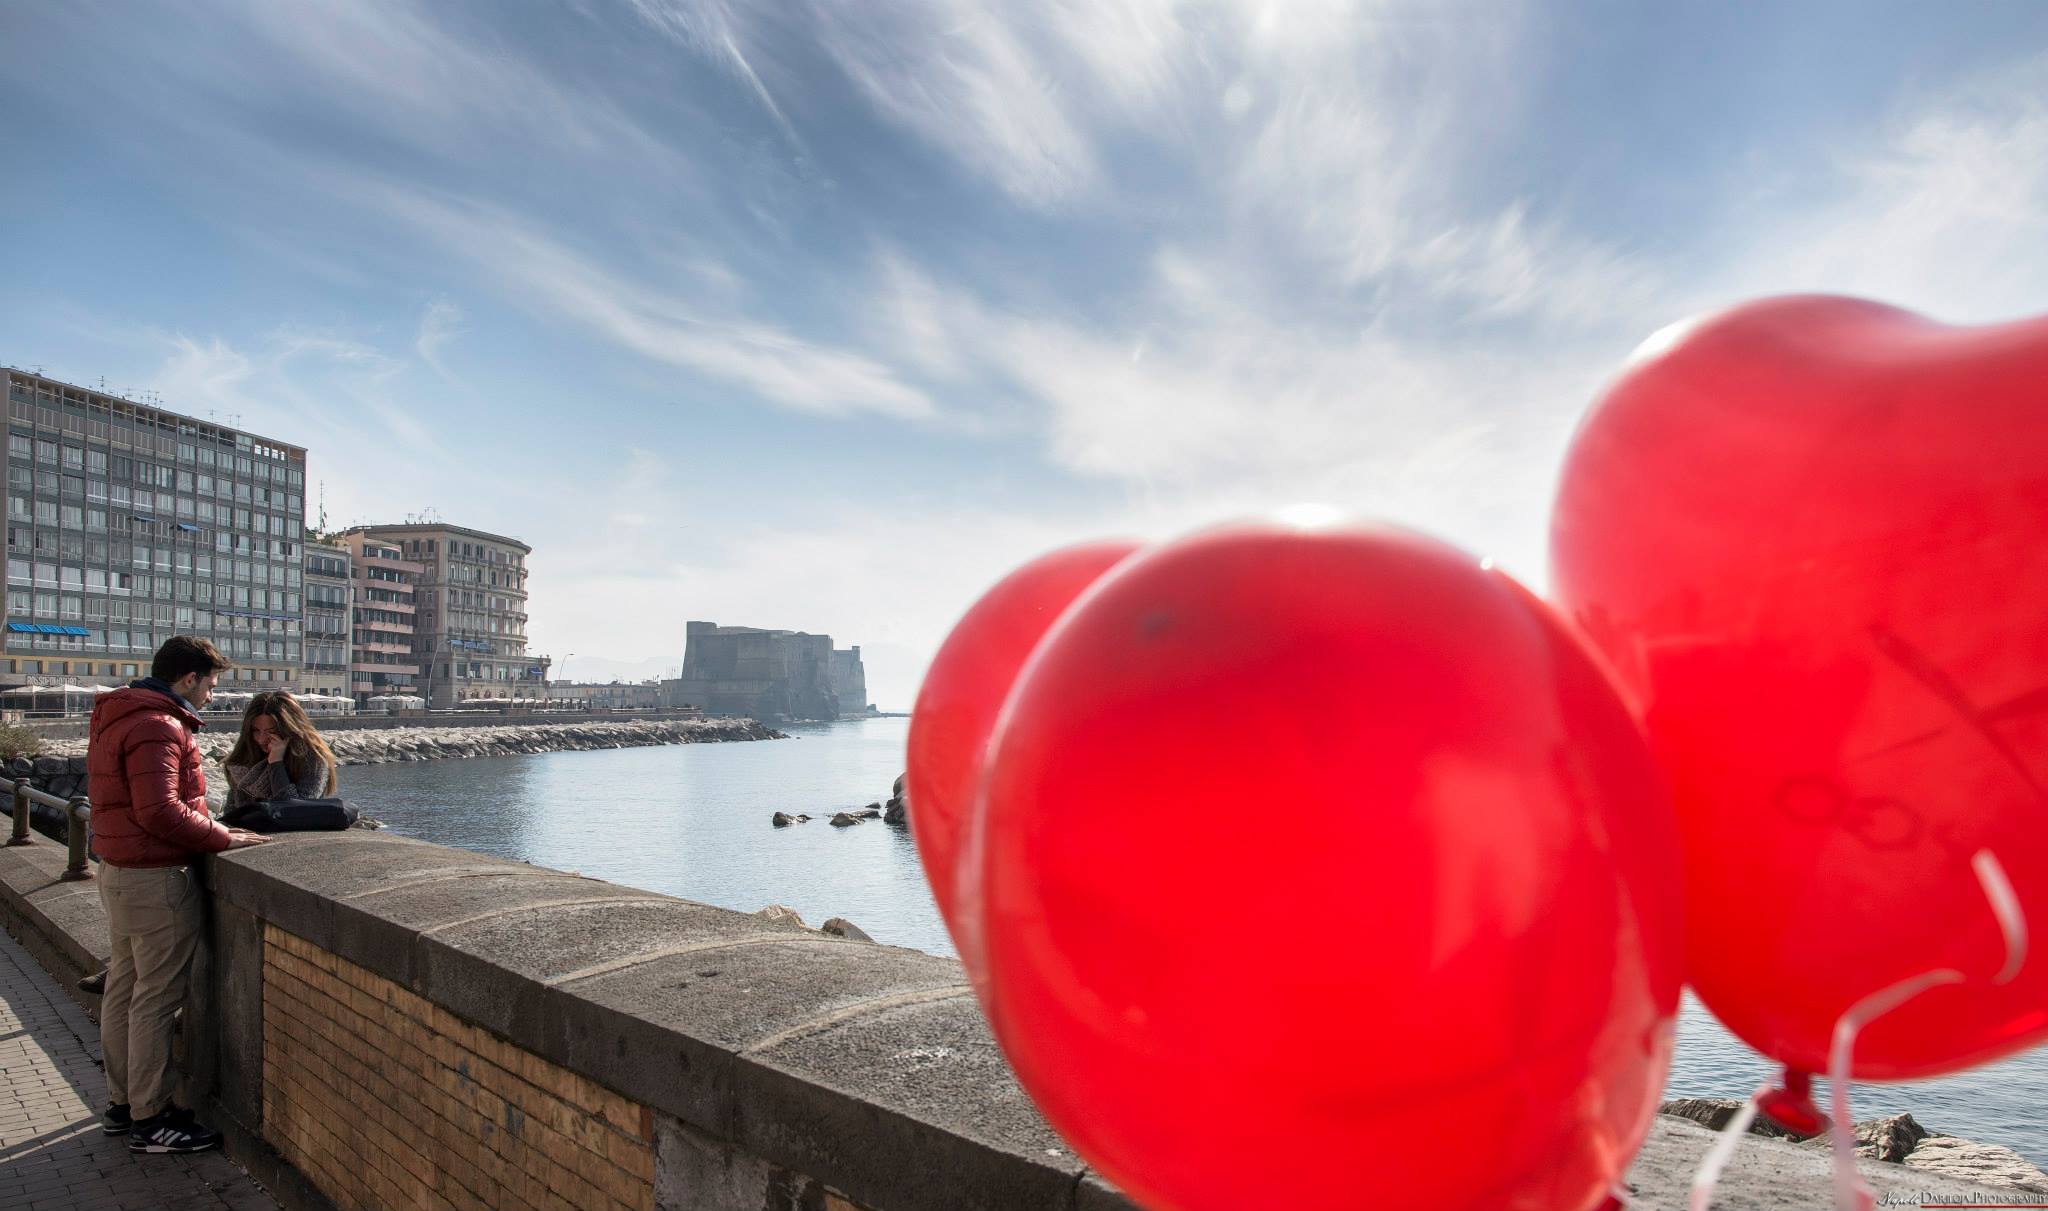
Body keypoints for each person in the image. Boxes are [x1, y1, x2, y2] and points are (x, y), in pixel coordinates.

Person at [86, 636, 270, 1155]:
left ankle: (123, 1105)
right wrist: (222, 836)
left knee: (124, 991)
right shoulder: (158, 724)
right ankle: (152, 1118)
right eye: (210, 685)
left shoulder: (119, 713)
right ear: (188, 679)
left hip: (119, 870)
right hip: (156, 876)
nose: (211, 697)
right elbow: (159, 811)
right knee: (155, 1000)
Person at [221, 691, 339, 812]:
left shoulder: (312, 759)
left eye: (271, 731)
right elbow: (231, 811)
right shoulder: (243, 758)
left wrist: (276, 764)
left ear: (289, 729)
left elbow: (296, 810)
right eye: (256, 730)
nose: (261, 739)